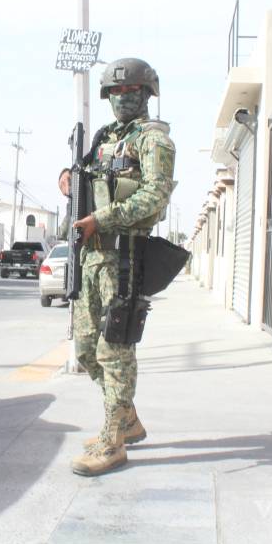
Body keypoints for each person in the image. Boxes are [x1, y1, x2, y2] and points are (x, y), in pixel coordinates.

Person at [68, 57, 175, 477]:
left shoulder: (154, 141)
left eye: (130, 92)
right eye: (115, 92)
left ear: (147, 94)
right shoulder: (106, 138)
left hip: (124, 255)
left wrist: (105, 219)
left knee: (115, 350)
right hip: (92, 256)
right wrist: (68, 175)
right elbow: (87, 178)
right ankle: (126, 418)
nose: (121, 99)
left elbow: (155, 195)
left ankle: (113, 441)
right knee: (84, 349)